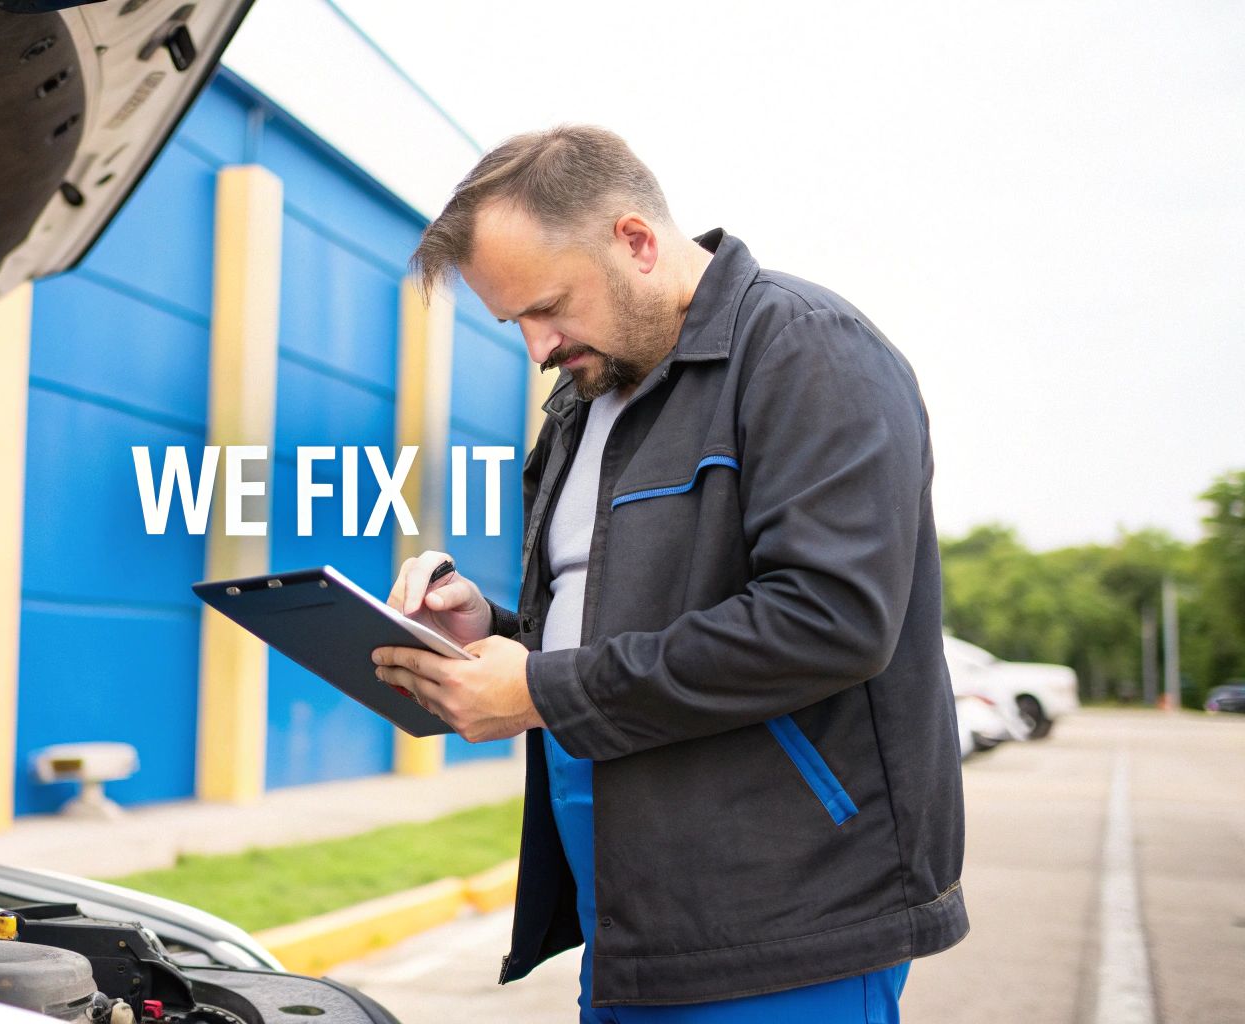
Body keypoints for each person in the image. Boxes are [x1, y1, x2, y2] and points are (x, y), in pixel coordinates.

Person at [370, 125, 966, 1023]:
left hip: (781, 925)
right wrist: (490, 635)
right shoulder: (585, 401)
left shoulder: (808, 351)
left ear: (637, 241)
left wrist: (537, 688)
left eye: (547, 306)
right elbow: (608, 629)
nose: (537, 347)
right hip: (631, 925)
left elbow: (829, 621)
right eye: (515, 324)